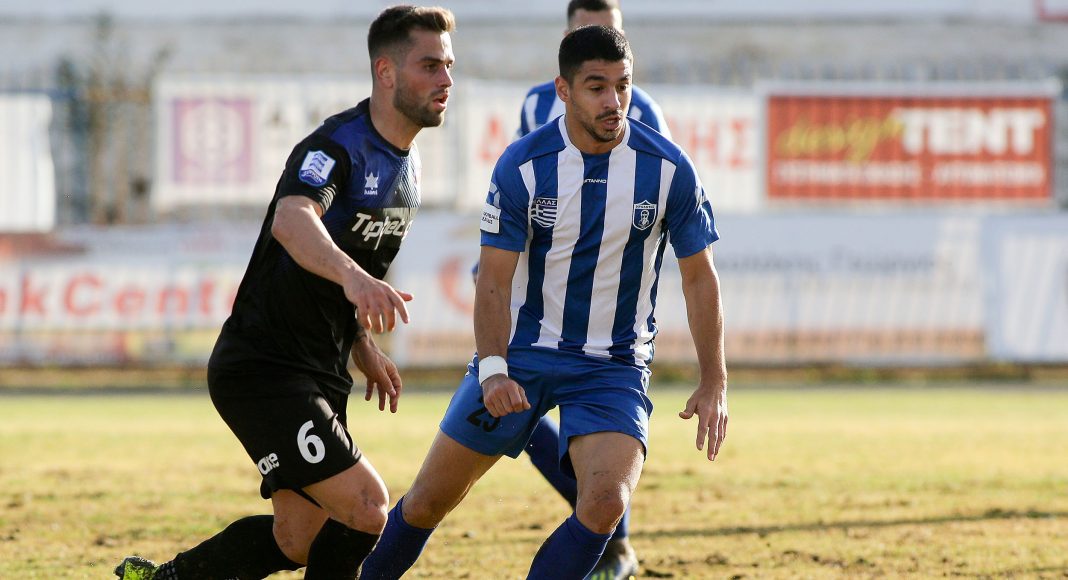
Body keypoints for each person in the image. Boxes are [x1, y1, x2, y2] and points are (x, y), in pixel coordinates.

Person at [360, 24, 728, 580]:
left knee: (605, 503)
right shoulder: (523, 165)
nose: (614, 102)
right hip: (522, 355)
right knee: (427, 502)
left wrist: (714, 380)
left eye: (623, 85)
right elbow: (492, 281)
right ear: (563, 90)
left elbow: (699, 277)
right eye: (596, 87)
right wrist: (493, 370)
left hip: (612, 365)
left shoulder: (668, 168)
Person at [113, 6, 455, 580]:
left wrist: (360, 344)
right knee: (367, 507)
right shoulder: (337, 146)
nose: (445, 79)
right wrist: (356, 278)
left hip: (318, 369)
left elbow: (342, 269)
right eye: (429, 65)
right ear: (386, 72)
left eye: (448, 66)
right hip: (264, 367)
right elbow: (293, 221)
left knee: (298, 539)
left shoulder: (408, 165)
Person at [514, 2, 672, 577]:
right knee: (510, 405)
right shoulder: (536, 103)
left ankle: (613, 535)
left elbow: (663, 196)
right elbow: (521, 186)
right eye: (587, 32)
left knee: (601, 420)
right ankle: (606, 525)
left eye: (611, 32)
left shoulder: (642, 109)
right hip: (539, 291)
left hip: (605, 300)